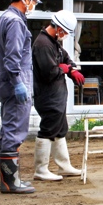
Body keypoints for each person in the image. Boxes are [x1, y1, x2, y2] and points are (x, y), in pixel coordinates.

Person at [0, 0, 41, 194]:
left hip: (7, 82)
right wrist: (18, 83)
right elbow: (12, 58)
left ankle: (11, 180)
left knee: (9, 128)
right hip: (15, 83)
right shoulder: (15, 22)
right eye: (33, 1)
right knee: (14, 130)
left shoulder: (4, 18)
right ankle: (10, 183)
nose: (33, 5)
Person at [32, 10, 85, 181]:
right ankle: (41, 169)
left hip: (57, 95)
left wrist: (70, 68)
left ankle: (64, 165)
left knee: (60, 129)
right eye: (66, 32)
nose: (66, 36)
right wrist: (64, 69)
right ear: (58, 27)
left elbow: (66, 58)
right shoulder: (43, 44)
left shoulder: (54, 42)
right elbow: (49, 71)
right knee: (48, 130)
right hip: (48, 96)